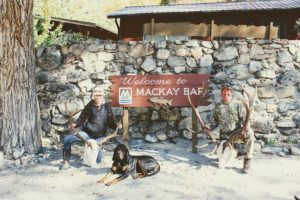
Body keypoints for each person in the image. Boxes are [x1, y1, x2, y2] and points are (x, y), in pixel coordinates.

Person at [60, 85, 121, 170]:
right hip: (87, 135)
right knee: (68, 139)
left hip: (99, 138)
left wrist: (116, 126)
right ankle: (66, 161)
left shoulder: (107, 107)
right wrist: (75, 125)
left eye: (99, 92)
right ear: (93, 94)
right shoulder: (90, 105)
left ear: (103, 94)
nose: (97, 94)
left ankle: (95, 150)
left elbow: (111, 121)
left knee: (97, 160)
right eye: (95, 92)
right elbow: (82, 118)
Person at [209, 84, 255, 174]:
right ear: (221, 93)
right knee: (221, 159)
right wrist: (210, 128)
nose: (225, 93)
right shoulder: (218, 106)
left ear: (231, 92)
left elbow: (244, 119)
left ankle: (247, 161)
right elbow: (215, 122)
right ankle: (226, 152)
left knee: (250, 133)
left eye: (228, 91)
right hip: (224, 137)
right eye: (223, 92)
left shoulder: (238, 105)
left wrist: (246, 127)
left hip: (236, 134)